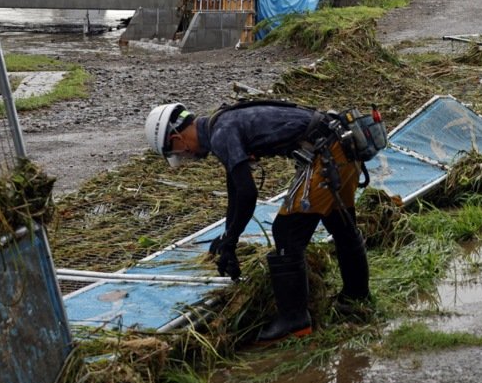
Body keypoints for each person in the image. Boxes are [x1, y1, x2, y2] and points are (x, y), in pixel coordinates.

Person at [144, 101, 374, 343]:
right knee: (340, 224)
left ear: (176, 138)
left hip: (328, 154)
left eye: (176, 152)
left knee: (286, 232)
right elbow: (235, 188)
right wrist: (227, 237)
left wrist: (231, 241)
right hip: (340, 145)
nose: (184, 156)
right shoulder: (221, 124)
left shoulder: (221, 133)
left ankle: (294, 321)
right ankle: (355, 299)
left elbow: (247, 193)